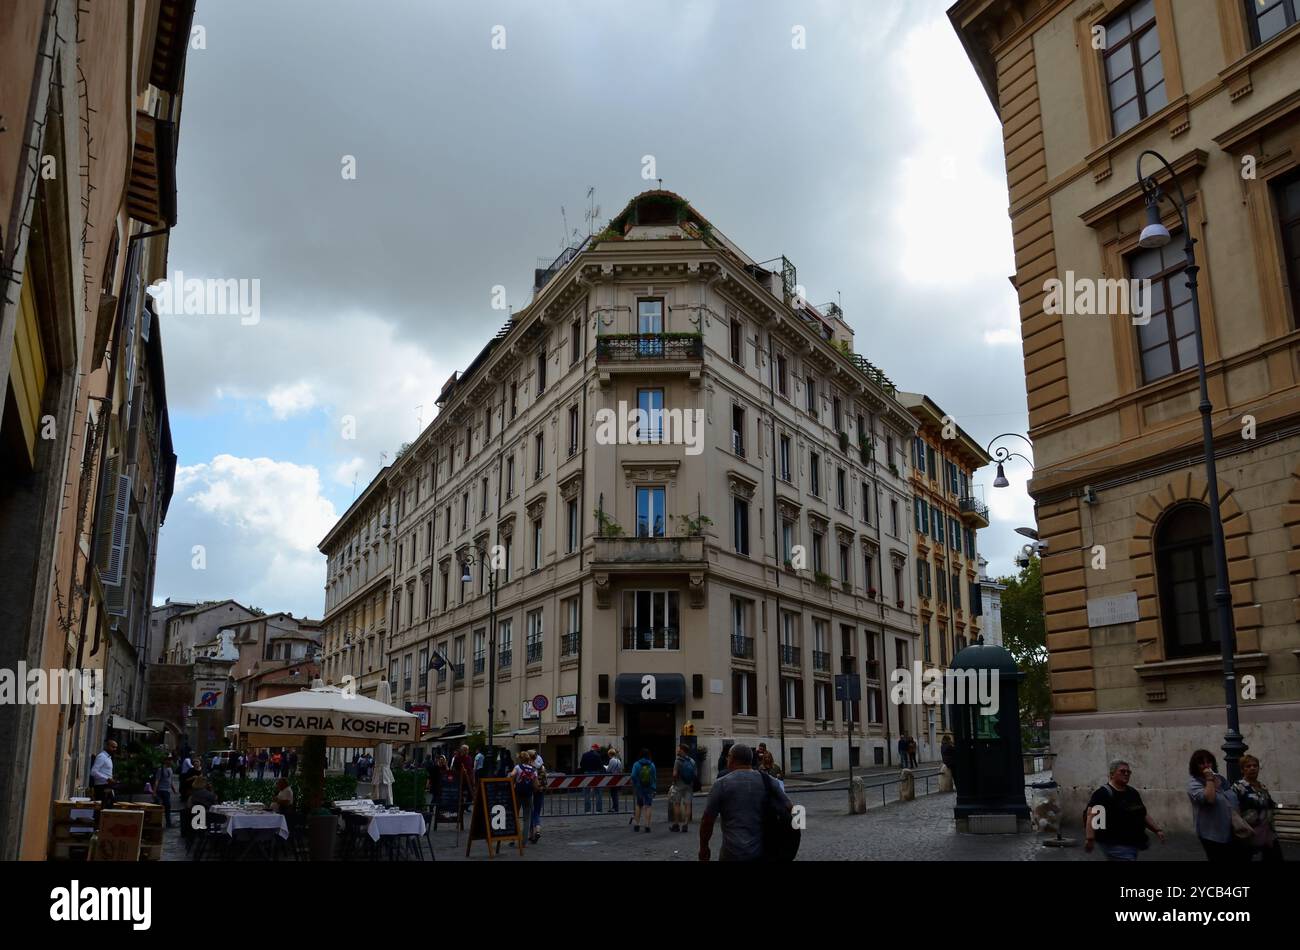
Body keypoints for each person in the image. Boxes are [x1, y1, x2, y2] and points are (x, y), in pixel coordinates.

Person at [699, 743, 791, 862]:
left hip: (731, 853)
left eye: (728, 757)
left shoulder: (721, 784)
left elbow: (707, 820)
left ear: (731, 758)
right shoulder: (768, 780)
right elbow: (790, 807)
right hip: (761, 851)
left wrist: (704, 848)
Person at [1084, 759, 1165, 860]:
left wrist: (1157, 830)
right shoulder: (1103, 793)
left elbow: (1142, 814)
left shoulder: (1132, 792)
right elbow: (1091, 816)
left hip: (1132, 843)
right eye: (1122, 771)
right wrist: (1090, 838)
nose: (1126, 774)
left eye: (1128, 772)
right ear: (1112, 774)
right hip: (1115, 844)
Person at [1187, 749, 1250, 863]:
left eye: (1209, 762)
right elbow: (1209, 799)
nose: (1206, 765)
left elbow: (1231, 797)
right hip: (1212, 833)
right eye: (1202, 763)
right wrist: (1209, 779)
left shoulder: (1220, 778)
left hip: (1230, 830)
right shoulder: (1194, 784)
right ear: (1195, 766)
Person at [1233, 754, 1284, 862]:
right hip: (1250, 832)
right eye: (1248, 766)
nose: (1252, 768)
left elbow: (1270, 803)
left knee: (1275, 857)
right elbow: (1233, 810)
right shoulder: (1238, 787)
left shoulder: (1262, 786)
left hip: (1267, 831)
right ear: (1242, 770)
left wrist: (1280, 806)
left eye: (1255, 766)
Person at [510, 751, 542, 844]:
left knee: (515, 815)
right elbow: (536, 785)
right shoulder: (533, 770)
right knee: (527, 818)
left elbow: (512, 775)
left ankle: (513, 838)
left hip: (518, 794)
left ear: (520, 759)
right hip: (528, 795)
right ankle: (524, 841)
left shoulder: (518, 767)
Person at [670, 744, 697, 833]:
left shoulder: (678, 761)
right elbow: (695, 774)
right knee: (688, 805)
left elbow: (674, 774)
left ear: (682, 750)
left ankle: (676, 824)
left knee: (677, 804)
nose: (677, 751)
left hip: (679, 785)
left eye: (679, 749)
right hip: (689, 785)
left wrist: (674, 782)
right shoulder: (692, 761)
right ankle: (685, 824)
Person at [629, 748, 657, 832]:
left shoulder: (636, 764)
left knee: (639, 805)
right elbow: (654, 777)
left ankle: (637, 825)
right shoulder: (652, 764)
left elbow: (633, 775)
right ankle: (647, 826)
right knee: (648, 806)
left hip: (639, 787)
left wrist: (636, 783)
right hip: (649, 787)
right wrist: (654, 788)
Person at [580, 743, 606, 813]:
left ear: (591, 748)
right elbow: (601, 766)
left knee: (587, 792)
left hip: (587, 774)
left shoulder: (585, 755)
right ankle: (598, 810)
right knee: (598, 792)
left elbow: (581, 765)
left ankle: (587, 810)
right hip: (596, 774)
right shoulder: (597, 755)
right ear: (596, 749)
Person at [90, 739, 117, 805]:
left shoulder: (108, 758)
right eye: (113, 747)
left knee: (110, 806)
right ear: (107, 746)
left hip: (107, 786)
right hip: (101, 787)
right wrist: (107, 778)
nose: (115, 749)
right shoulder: (102, 756)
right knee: (101, 807)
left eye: (116, 747)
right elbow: (93, 772)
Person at [153, 756, 176, 828]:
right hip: (161, 790)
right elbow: (157, 781)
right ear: (166, 761)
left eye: (171, 760)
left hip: (167, 791)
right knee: (162, 807)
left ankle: (168, 823)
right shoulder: (161, 770)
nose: (171, 762)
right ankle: (158, 822)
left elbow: (170, 780)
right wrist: (154, 791)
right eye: (169, 760)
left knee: (167, 807)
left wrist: (173, 789)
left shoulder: (170, 769)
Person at [606, 748, 623, 813]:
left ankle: (615, 807)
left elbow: (608, 770)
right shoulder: (618, 760)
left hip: (612, 778)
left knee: (613, 793)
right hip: (618, 778)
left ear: (610, 754)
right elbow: (621, 770)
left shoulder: (611, 760)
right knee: (615, 793)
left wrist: (606, 767)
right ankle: (615, 807)